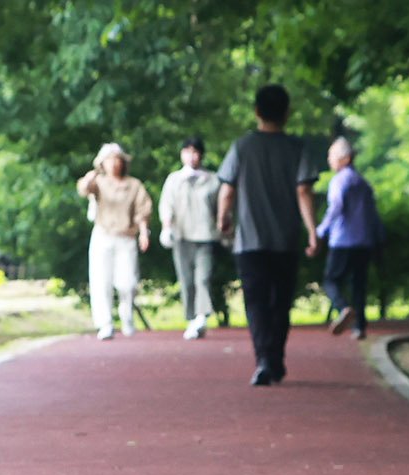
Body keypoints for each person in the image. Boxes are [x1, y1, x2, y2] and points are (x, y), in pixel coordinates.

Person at [216, 84, 320, 386]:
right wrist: (313, 232)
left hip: (249, 241)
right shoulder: (297, 148)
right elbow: (304, 190)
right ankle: (275, 358)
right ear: (288, 113)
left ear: (257, 111)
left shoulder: (241, 147)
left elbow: (227, 189)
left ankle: (264, 359)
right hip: (285, 239)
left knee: (257, 302)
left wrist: (223, 217)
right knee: (281, 301)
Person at [77, 142, 153, 339]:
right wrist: (91, 176)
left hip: (126, 237)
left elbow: (142, 211)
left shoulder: (134, 185)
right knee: (101, 280)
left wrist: (144, 233)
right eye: (110, 160)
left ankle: (126, 315)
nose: (114, 163)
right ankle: (105, 323)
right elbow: (84, 189)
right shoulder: (99, 183)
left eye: (117, 159)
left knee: (127, 281)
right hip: (103, 235)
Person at [316, 136, 385, 341]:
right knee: (359, 284)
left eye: (332, 156)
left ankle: (343, 307)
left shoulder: (339, 180)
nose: (330, 160)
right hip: (364, 242)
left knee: (331, 280)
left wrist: (321, 231)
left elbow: (336, 207)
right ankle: (360, 327)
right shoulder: (363, 182)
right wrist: (379, 238)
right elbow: (373, 215)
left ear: (345, 158)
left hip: (343, 240)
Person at [158, 136, 223, 340]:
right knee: (186, 280)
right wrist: (166, 227)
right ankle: (192, 318)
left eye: (196, 152)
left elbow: (221, 208)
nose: (192, 156)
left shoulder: (212, 180)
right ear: (182, 154)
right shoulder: (174, 180)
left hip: (205, 235)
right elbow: (167, 205)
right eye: (188, 151)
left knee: (202, 278)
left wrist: (224, 228)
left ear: (201, 155)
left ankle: (201, 316)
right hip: (181, 236)